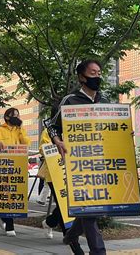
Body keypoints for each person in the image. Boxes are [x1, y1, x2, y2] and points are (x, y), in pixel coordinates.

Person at [47, 59, 108, 255]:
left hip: (102, 160)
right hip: (78, 162)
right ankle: (98, 252)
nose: (97, 76)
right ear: (81, 77)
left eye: (99, 72)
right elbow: (51, 126)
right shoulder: (69, 101)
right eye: (92, 73)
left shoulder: (105, 101)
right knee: (90, 210)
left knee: (94, 208)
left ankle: (71, 235)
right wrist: (58, 141)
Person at [0, 107, 31, 237]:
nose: (17, 117)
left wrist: (21, 128)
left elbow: (26, 143)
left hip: (16, 168)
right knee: (5, 196)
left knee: (12, 195)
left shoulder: (20, 130)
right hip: (2, 168)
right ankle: (9, 224)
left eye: (18, 115)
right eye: (14, 115)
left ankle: (4, 218)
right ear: (7, 117)